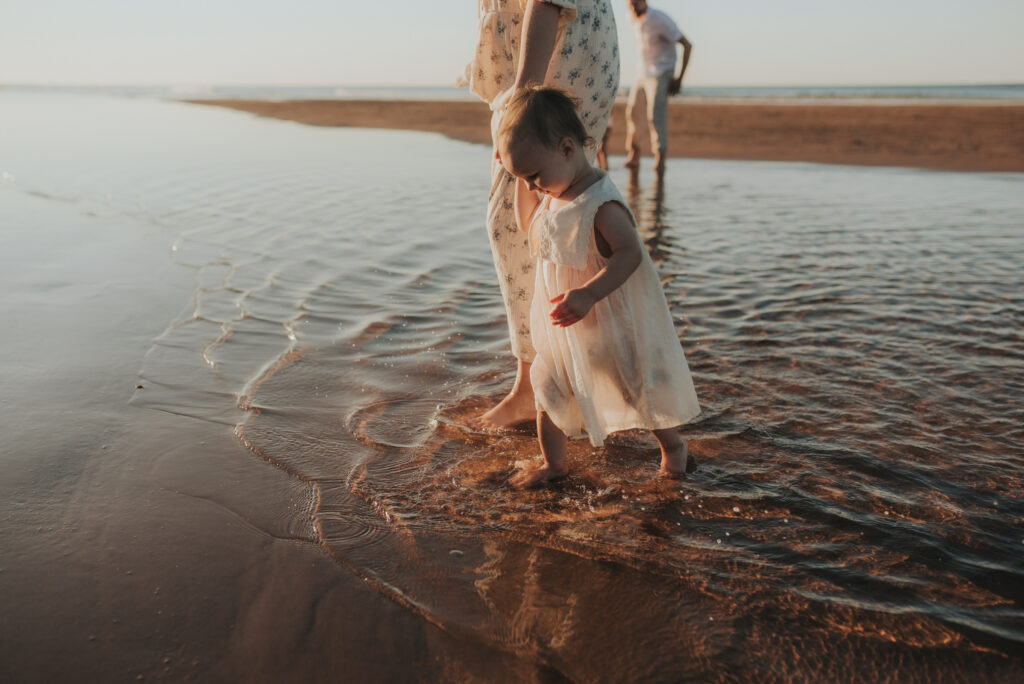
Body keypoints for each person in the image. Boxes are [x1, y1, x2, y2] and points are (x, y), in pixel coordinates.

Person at [495, 87, 701, 488]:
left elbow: (630, 254)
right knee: (547, 389)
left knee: (635, 391)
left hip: (605, 318)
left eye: (534, 176)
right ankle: (555, 466)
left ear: (568, 149)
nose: (533, 187)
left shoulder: (600, 204)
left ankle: (673, 447)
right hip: (565, 325)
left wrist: (589, 293)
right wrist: (518, 177)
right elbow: (526, 224)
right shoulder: (552, 191)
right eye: (525, 179)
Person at [461, 1, 620, 430]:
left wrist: (521, 102)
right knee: (555, 219)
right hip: (554, 60)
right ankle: (570, 374)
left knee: (524, 222)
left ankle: (542, 387)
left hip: (552, 63)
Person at [623, 0, 692, 174]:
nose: (632, 7)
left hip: (661, 72)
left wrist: (679, 79)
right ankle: (634, 153)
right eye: (629, 4)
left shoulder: (660, 20)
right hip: (642, 73)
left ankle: (660, 158)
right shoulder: (631, 18)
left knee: (655, 116)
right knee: (632, 111)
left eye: (635, 3)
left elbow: (687, 45)